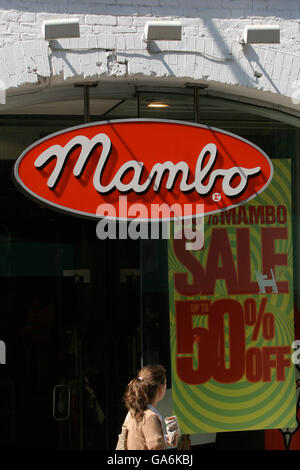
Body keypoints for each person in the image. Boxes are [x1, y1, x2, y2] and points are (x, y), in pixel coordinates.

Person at [122, 364, 178, 450]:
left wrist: (165, 438)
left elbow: (140, 440)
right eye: (165, 383)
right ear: (160, 388)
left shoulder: (132, 413)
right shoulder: (150, 417)